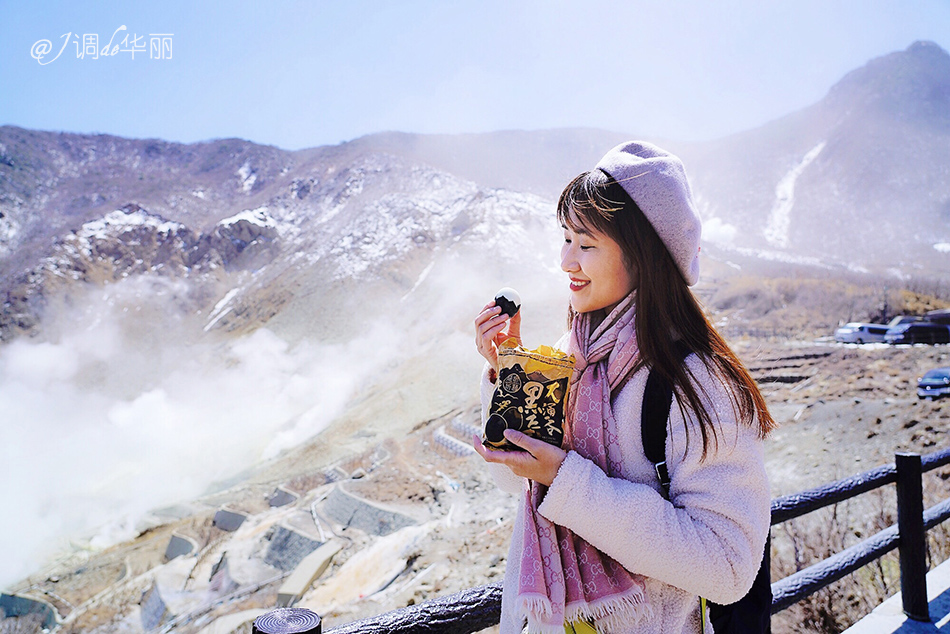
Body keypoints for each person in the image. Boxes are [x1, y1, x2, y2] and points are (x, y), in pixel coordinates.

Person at [472, 141, 775, 634]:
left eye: (585, 244)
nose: (565, 261)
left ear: (643, 255)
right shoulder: (573, 353)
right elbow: (519, 479)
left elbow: (727, 567)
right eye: (565, 238)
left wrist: (567, 480)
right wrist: (509, 375)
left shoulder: (698, 381)